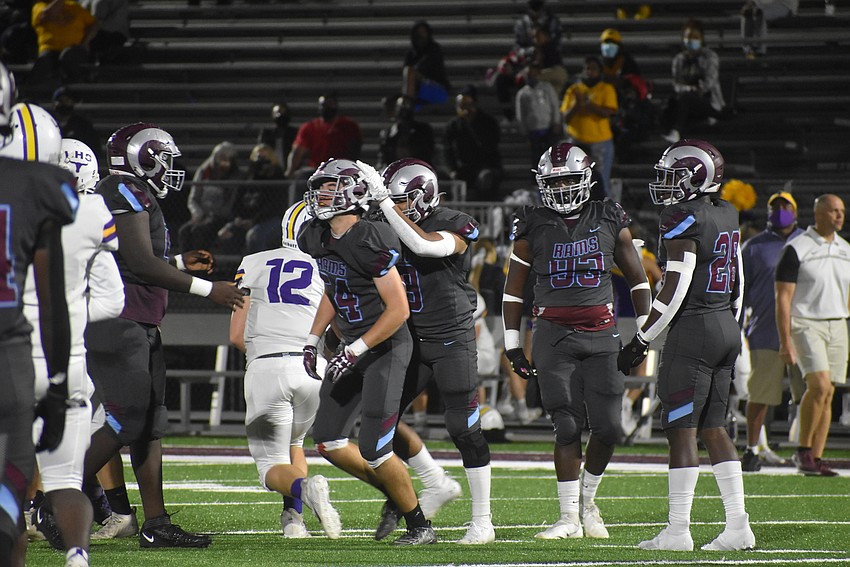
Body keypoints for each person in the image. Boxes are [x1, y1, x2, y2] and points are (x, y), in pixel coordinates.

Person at [80, 122, 245, 549]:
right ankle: (53, 496)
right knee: (128, 417)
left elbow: (138, 258)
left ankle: (156, 523)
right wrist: (210, 290)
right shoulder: (122, 190)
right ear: (144, 156)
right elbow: (139, 263)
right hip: (121, 319)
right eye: (164, 157)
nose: (171, 167)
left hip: (141, 319)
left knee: (149, 424)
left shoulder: (133, 193)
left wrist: (179, 261)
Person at [503, 142, 651, 540]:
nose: (564, 187)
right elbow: (514, 292)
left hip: (602, 334)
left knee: (609, 428)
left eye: (570, 178)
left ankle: (587, 501)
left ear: (586, 178)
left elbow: (638, 280)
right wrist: (513, 344)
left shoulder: (608, 215)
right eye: (556, 181)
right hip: (553, 335)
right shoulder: (532, 223)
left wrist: (645, 331)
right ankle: (568, 516)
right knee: (566, 426)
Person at [619, 139, 755, 552]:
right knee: (715, 427)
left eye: (674, 175)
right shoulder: (727, 211)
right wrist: (732, 325)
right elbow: (738, 280)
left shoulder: (683, 215)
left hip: (694, 328)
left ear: (697, 176)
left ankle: (678, 531)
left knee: (681, 430)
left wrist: (642, 338)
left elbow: (676, 285)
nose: (665, 184)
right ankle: (738, 526)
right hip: (725, 325)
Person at [297, 158, 436, 546]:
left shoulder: (370, 236)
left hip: (386, 348)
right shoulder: (316, 235)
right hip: (353, 347)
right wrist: (312, 339)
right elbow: (333, 288)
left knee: (376, 448)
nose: (322, 193)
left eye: (330, 186)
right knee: (327, 440)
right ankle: (397, 493)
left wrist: (354, 348)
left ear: (355, 192)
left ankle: (420, 525)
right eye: (320, 186)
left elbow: (399, 310)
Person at [369, 158, 495, 544]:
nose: (396, 206)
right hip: (408, 337)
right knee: (380, 424)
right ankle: (426, 486)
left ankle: (482, 521)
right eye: (392, 200)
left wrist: (386, 208)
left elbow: (423, 244)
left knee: (463, 427)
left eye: (402, 200)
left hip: (450, 334)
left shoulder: (454, 220)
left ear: (423, 196)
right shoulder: (385, 223)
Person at [25, 137, 124, 566]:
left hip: (11, 354)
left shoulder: (12, 204)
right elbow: (113, 300)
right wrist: (64, 314)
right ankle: (78, 555)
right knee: (66, 480)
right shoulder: (93, 213)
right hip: (68, 359)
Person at [0, 65, 77, 567]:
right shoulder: (39, 184)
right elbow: (51, 300)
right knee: (7, 505)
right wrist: (56, 382)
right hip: (6, 359)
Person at [229, 201, 342, 539]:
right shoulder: (329, 266)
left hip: (268, 366)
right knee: (295, 442)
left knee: (269, 467)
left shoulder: (252, 262)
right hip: (313, 369)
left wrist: (268, 356)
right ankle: (293, 521)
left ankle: (305, 490)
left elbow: (237, 336)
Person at [776, 194, 849, 477]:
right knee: (818, 385)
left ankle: (816, 457)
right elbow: (783, 298)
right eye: (833, 211)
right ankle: (803, 450)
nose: (839, 216)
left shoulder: (845, 249)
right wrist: (785, 340)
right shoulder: (797, 248)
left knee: (829, 391)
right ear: (818, 213)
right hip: (806, 322)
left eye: (841, 211)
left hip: (838, 323)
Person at [739, 191, 803, 472]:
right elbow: (739, 292)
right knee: (760, 394)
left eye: (785, 207)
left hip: (804, 329)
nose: (780, 211)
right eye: (774, 207)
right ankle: (752, 449)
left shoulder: (808, 243)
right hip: (765, 330)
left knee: (812, 393)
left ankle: (808, 450)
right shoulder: (753, 247)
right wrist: (736, 324)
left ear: (796, 211)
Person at [561, 57, 618, 200]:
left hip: (600, 141)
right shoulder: (574, 90)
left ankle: (601, 212)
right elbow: (565, 117)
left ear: (599, 72)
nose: (589, 72)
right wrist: (577, 105)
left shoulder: (606, 88)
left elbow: (608, 112)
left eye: (593, 69)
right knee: (574, 179)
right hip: (576, 141)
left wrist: (588, 105)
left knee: (599, 179)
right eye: (587, 68)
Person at [662, 19, 725, 144]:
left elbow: (710, 81)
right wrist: (689, 89)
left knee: (686, 99)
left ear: (702, 38)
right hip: (687, 100)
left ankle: (676, 131)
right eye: (688, 37)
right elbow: (676, 84)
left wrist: (699, 89)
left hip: (708, 102)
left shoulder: (710, 56)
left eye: (695, 37)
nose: (691, 40)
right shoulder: (679, 59)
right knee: (671, 103)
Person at [178, 141, 242, 252]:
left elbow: (230, 204)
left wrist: (211, 216)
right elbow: (193, 198)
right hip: (201, 215)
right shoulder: (204, 172)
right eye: (221, 157)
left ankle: (201, 265)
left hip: (219, 217)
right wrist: (198, 214)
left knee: (199, 231)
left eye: (227, 158)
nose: (224, 161)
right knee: (185, 231)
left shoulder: (234, 176)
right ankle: (185, 264)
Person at [444, 85, 502, 202]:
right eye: (461, 106)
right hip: (463, 168)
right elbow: (448, 150)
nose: (464, 109)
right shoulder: (453, 126)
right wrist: (452, 170)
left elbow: (491, 147)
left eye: (467, 105)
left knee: (486, 178)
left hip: (485, 165)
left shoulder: (488, 122)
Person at [285, 92, 362, 180]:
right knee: (301, 177)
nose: (326, 108)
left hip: (341, 170)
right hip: (316, 170)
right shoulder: (309, 127)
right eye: (324, 105)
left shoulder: (349, 126)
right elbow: (298, 151)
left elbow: (354, 150)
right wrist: (290, 171)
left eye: (330, 105)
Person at [30, 0, 98, 85]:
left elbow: (93, 24)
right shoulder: (39, 6)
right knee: (44, 62)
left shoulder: (75, 7)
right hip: (50, 49)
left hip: (73, 49)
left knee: (69, 56)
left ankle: (72, 92)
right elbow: (48, 14)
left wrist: (85, 42)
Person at [515, 62, 561, 169]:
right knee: (536, 157)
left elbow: (554, 104)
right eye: (529, 74)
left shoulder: (546, 87)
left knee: (550, 156)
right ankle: (537, 180)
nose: (532, 76)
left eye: (534, 73)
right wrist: (523, 130)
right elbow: (520, 113)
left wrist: (556, 122)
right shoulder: (523, 93)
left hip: (548, 127)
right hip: (533, 130)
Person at [402, 21, 451, 109]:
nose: (421, 36)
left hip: (438, 91)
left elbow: (422, 68)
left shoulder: (434, 49)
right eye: (418, 33)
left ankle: (407, 103)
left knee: (410, 72)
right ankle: (407, 105)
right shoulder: (410, 54)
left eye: (423, 33)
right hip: (419, 94)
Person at [377, 95, 435, 168]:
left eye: (406, 107)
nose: (403, 112)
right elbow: (383, 157)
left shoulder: (424, 131)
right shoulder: (388, 133)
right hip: (394, 171)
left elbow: (427, 153)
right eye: (401, 108)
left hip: (417, 169)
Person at [51, 86, 102, 162]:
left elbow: (94, 148)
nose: (64, 103)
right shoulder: (49, 124)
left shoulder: (83, 126)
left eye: (67, 100)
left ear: (73, 102)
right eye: (60, 100)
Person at [257, 101, 298, 168]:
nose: (279, 116)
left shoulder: (294, 133)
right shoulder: (266, 134)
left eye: (282, 112)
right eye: (276, 113)